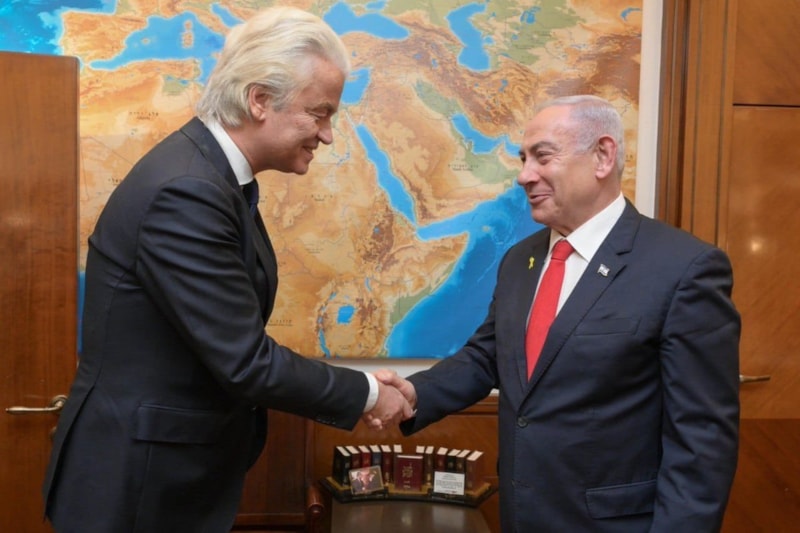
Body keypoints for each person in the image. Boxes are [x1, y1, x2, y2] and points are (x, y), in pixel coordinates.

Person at [42, 7, 410, 532]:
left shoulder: (214, 178)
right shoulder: (187, 190)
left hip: (164, 477)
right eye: (319, 113)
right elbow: (245, 361)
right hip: (136, 488)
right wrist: (369, 393)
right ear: (259, 100)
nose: (327, 135)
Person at [379, 95, 741, 531]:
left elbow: (702, 439)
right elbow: (488, 355)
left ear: (602, 156)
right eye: (523, 159)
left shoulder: (682, 268)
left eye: (542, 156)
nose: (524, 175)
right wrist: (414, 393)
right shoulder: (520, 260)